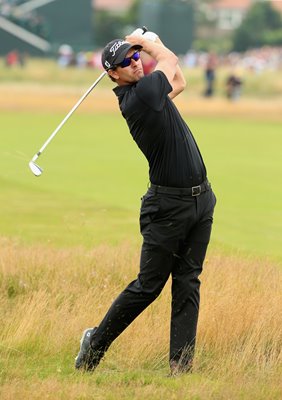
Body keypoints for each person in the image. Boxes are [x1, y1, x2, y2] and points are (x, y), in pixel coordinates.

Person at [75, 29, 216, 376]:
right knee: (148, 286)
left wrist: (148, 42)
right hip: (167, 206)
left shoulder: (152, 92)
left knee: (188, 281)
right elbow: (170, 61)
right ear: (113, 74)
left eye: (135, 56)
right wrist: (148, 43)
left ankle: (180, 367)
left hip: (201, 201)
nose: (135, 62)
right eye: (126, 60)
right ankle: (94, 344)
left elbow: (178, 80)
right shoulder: (137, 97)